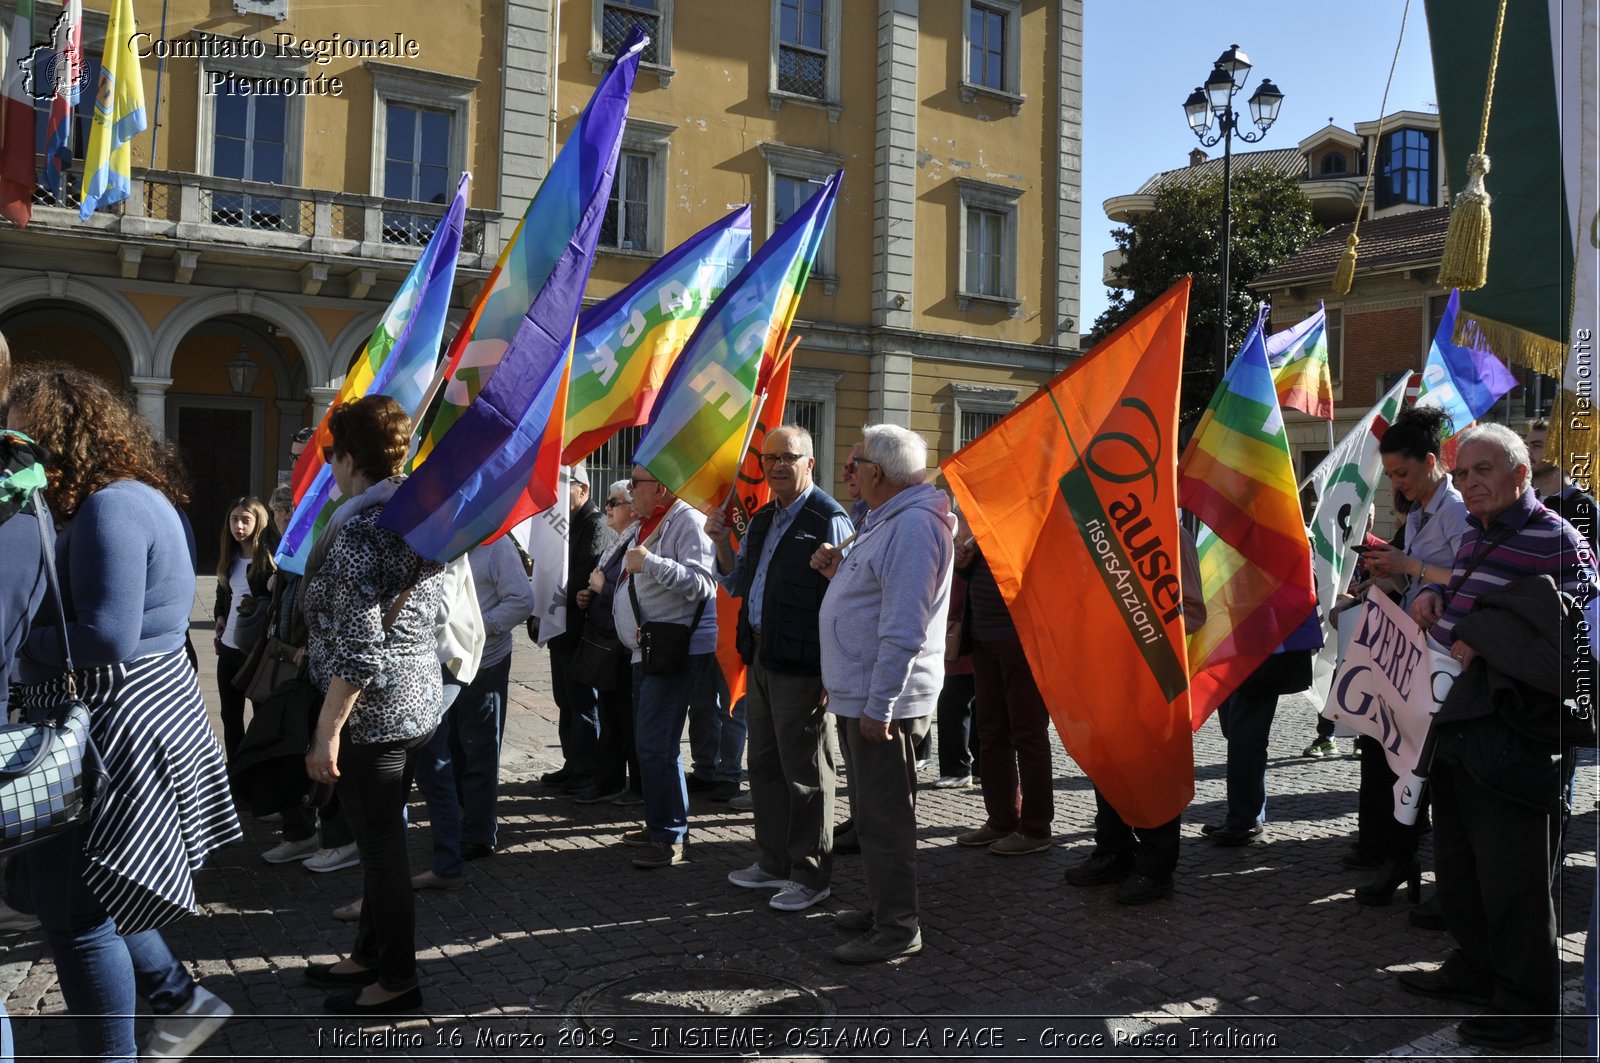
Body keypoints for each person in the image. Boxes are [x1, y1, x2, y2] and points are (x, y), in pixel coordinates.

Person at [8, 365, 240, 1061]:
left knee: (79, 917)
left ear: (56, 432)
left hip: (116, 734)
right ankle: (176, 995)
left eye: (21, 426)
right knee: (84, 889)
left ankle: (125, 1046)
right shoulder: (133, 495)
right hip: (128, 724)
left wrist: (18, 642)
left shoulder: (112, 506)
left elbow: (108, 635)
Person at [1397, 423, 1597, 1051]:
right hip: (1458, 719)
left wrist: (1482, 636)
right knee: (1458, 865)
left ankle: (1528, 1005)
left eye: (1483, 470)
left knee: (1513, 877)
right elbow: (1469, 598)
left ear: (1519, 475)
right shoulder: (1476, 536)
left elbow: (1576, 637)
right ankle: (1477, 965)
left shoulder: (1558, 540)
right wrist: (1434, 594)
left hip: (1514, 731)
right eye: (1461, 473)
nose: (1469, 482)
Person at [299, 395, 446, 1015]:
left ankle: (398, 980)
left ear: (350, 457)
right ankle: (366, 954)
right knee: (376, 838)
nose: (330, 466)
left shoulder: (362, 528)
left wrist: (327, 732)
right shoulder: (419, 513)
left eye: (332, 454)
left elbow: (361, 649)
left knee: (383, 851)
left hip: (371, 713)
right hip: (413, 701)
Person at [812, 424, 954, 963]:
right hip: (865, 692)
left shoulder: (914, 526)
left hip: (883, 702)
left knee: (885, 818)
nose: (847, 473)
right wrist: (836, 577)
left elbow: (903, 628)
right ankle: (882, 909)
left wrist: (879, 706)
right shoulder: (888, 520)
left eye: (854, 464)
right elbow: (873, 603)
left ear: (878, 472)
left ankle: (897, 927)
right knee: (873, 816)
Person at [707, 425, 854, 913]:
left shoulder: (828, 517)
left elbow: (842, 601)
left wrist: (832, 672)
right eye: (770, 458)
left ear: (810, 462)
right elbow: (736, 581)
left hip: (804, 665)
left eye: (788, 457)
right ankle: (772, 861)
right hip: (763, 657)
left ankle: (812, 876)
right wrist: (723, 541)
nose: (776, 466)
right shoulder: (765, 516)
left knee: (808, 772)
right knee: (764, 766)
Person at [1347, 406, 1468, 904]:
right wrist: (1386, 574)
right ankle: (1401, 858)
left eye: (1404, 473)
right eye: (1392, 474)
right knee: (1400, 757)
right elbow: (1416, 579)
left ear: (1432, 461)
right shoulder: (1419, 512)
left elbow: (1466, 577)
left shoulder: (1458, 511)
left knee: (1432, 764)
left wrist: (1409, 564)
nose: (1399, 483)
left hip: (1444, 657)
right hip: (1412, 649)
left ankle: (1429, 869)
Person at [1063, 526, 1205, 904]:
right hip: (1103, 675)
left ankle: (1156, 868)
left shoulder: (1171, 533)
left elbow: (1193, 612)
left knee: (1153, 768)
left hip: (1153, 678)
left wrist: (1140, 628)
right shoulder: (1094, 529)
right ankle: (1113, 850)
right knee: (1106, 759)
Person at [613, 464, 718, 869]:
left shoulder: (687, 518)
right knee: (653, 743)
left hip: (674, 649)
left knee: (655, 743)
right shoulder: (647, 521)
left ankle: (670, 834)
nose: (629, 489)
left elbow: (703, 584)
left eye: (635, 482)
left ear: (658, 487)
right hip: (650, 647)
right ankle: (661, 823)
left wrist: (650, 564)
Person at [413, 535, 533, 882]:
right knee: (451, 748)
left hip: (486, 663)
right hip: (446, 665)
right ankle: (464, 820)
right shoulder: (438, 544)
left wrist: (481, 630)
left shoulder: (496, 546)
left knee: (480, 749)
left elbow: (522, 600)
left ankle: (480, 833)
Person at [952, 539, 1055, 856]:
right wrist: (966, 564)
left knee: (1028, 733)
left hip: (1023, 640)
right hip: (984, 637)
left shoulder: (1033, 513)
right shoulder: (988, 514)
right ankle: (1001, 819)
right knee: (991, 732)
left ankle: (1036, 828)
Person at [543, 464, 612, 794]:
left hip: (580, 630)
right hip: (561, 627)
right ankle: (572, 763)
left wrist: (549, 598)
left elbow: (584, 576)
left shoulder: (594, 523)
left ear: (583, 489)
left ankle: (586, 769)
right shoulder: (565, 523)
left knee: (582, 702)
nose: (555, 493)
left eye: (563, 485)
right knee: (565, 699)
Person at [574, 480, 642, 805]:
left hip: (626, 646)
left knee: (629, 719)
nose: (608, 508)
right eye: (608, 501)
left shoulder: (639, 545)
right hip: (608, 644)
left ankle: (637, 786)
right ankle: (609, 781)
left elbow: (631, 594)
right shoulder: (616, 545)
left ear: (632, 507)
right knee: (611, 716)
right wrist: (587, 596)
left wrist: (600, 590)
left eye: (615, 502)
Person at [213, 495, 274, 762]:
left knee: (262, 717)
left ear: (258, 521)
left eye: (245, 520)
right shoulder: (231, 558)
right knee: (230, 717)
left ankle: (256, 772)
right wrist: (219, 617)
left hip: (257, 652)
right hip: (229, 649)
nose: (238, 526)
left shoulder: (271, 560)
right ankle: (236, 773)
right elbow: (222, 593)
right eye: (234, 519)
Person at [1526, 417, 1597, 549]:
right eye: (1526, 445)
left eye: (1536, 446)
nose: (1526, 452)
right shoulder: (1525, 502)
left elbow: (1588, 565)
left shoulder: (1584, 508)